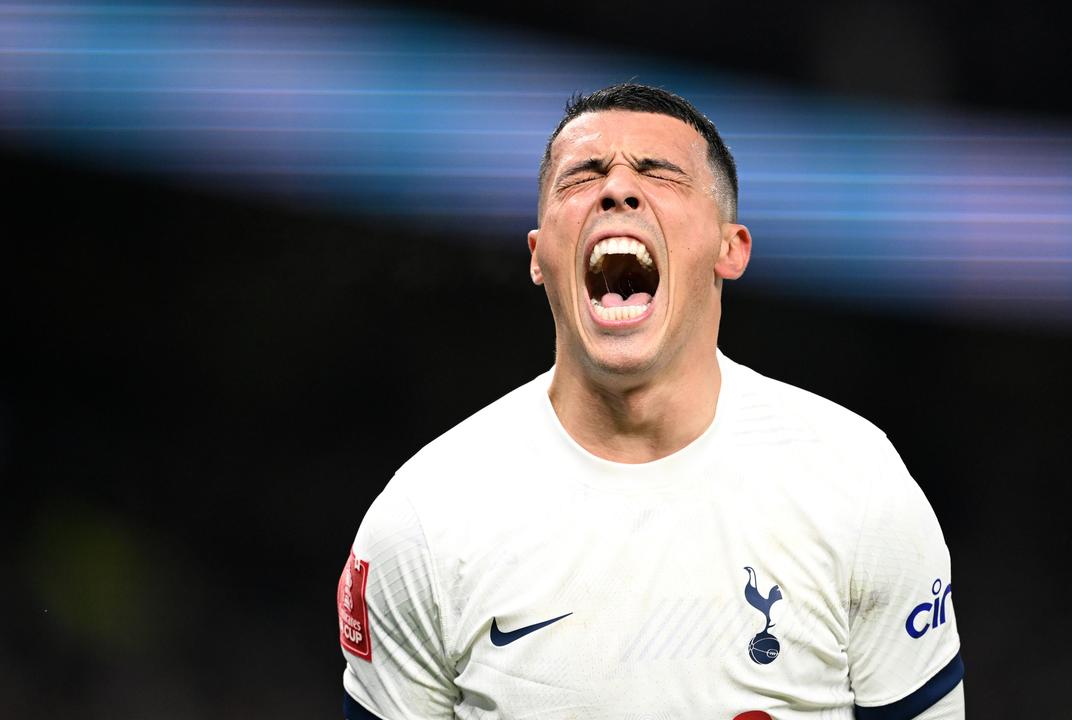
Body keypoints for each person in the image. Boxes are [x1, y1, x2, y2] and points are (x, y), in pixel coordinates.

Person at [336, 83, 964, 719]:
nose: (616, 189)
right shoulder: (422, 520)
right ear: (538, 256)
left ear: (730, 248)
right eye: (582, 176)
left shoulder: (857, 487)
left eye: (658, 173)